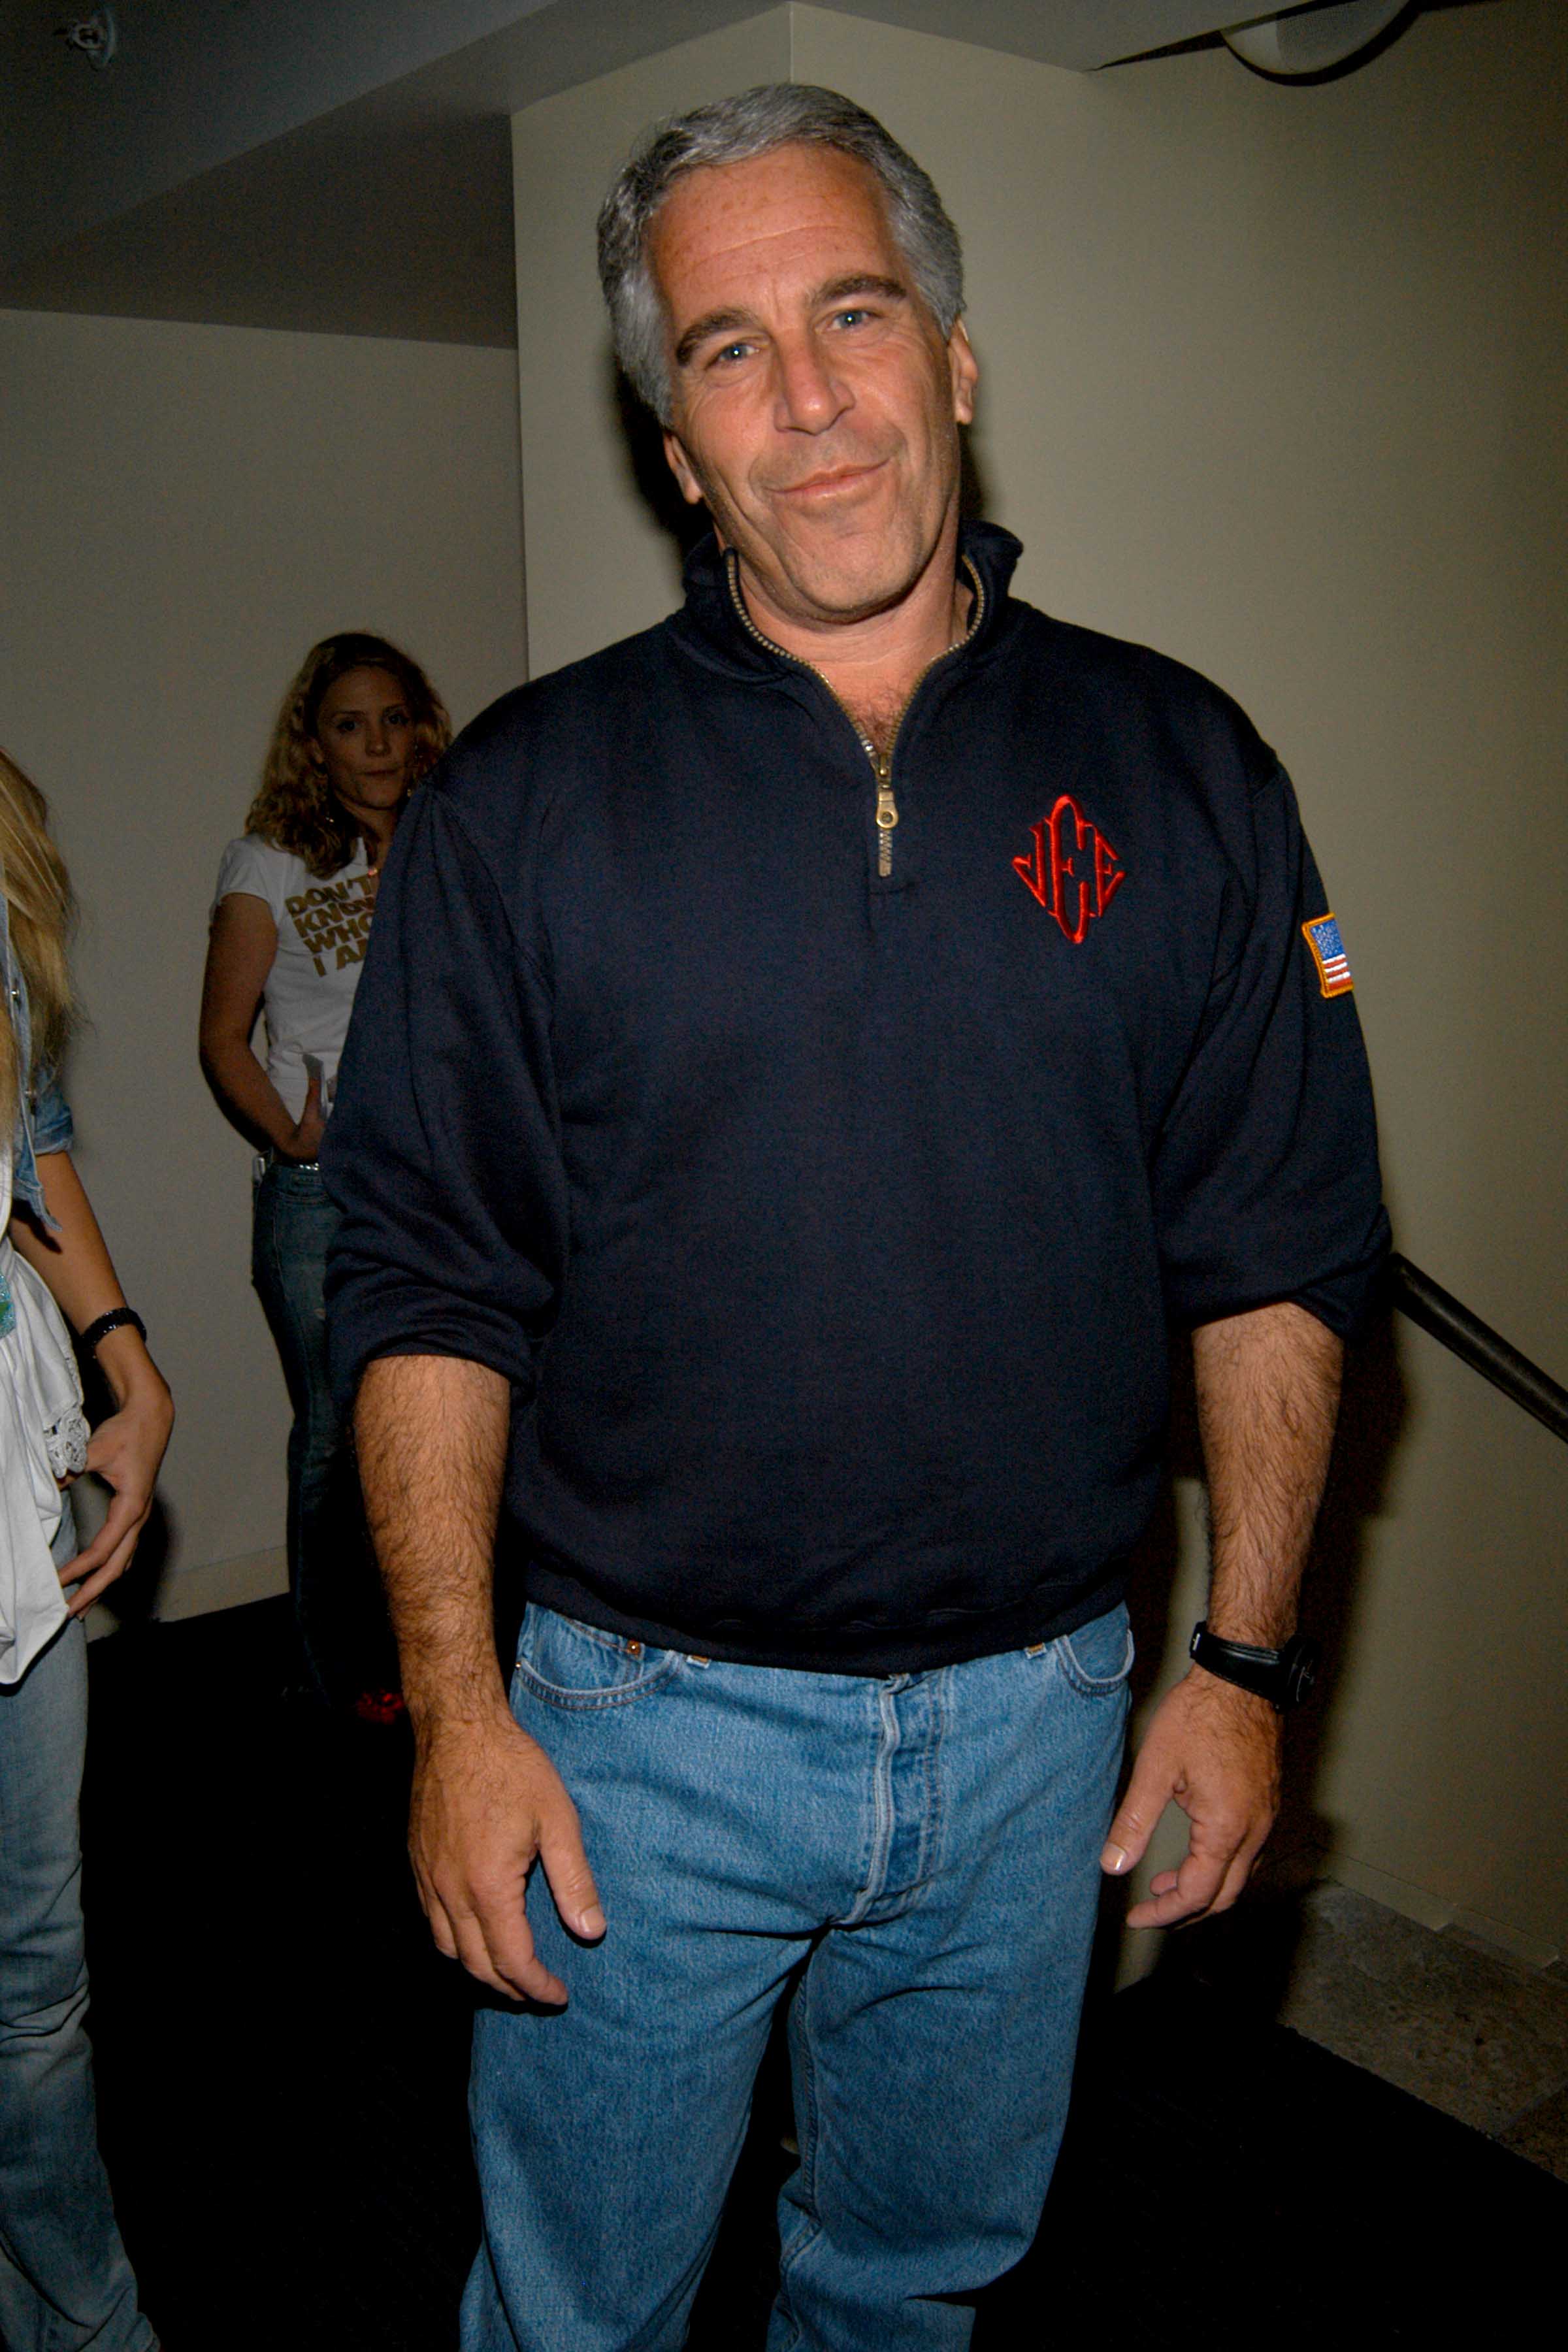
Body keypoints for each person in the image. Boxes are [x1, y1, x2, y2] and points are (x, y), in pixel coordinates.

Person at [325, 84, 1388, 2351]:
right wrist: (457, 1717)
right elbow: (428, 1287)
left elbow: (1280, 1247)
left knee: (917, 2293)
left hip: (1043, 1726)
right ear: (676, 450)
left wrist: (1242, 1667)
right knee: (577, 2314)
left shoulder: (1190, 768)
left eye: (855, 313)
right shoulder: (520, 806)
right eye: (730, 351)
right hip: (632, 1738)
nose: (807, 398)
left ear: (957, 358)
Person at [0, 747, 174, 2351]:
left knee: (35, 1977)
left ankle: (79, 2325)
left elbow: (30, 1137)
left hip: (12, 1483)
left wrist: (127, 1355)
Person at [199, 633, 449, 1708]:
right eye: (350, 725)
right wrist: (290, 1136)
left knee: (455, 1416)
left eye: (393, 719)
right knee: (338, 1440)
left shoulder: (448, 837)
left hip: (442, 1179)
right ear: (315, 744)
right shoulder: (270, 863)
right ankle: (341, 1671)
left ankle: (445, 1656)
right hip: (325, 1195)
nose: (377, 744)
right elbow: (223, 1037)